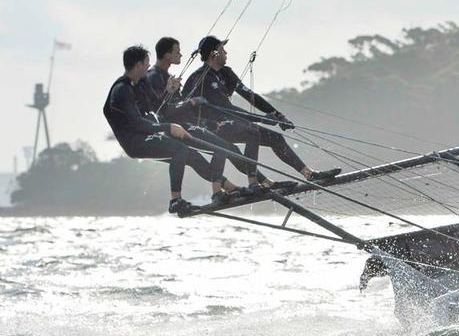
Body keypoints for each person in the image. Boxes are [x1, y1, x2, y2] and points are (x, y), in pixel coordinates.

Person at [181, 35, 332, 187]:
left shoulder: (226, 73)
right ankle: (255, 184)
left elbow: (250, 96)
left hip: (227, 121)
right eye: (222, 49)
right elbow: (227, 109)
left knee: (275, 138)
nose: (226, 53)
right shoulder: (201, 78)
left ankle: (308, 174)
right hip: (206, 127)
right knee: (250, 134)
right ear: (214, 54)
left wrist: (278, 115)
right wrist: (262, 118)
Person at [103, 45, 234, 215]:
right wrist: (169, 127)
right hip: (134, 142)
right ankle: (175, 201)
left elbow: (158, 107)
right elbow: (137, 124)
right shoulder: (121, 91)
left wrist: (168, 92)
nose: (149, 67)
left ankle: (229, 188)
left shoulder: (139, 83)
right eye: (147, 63)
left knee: (191, 155)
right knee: (179, 149)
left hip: (146, 134)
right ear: (138, 65)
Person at [142, 36, 261, 188]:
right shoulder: (154, 77)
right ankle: (220, 192)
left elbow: (172, 104)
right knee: (222, 146)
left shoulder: (166, 75)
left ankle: (239, 187)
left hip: (184, 124)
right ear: (167, 55)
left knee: (221, 150)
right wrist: (191, 102)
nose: (181, 55)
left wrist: (206, 121)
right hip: (174, 128)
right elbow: (162, 110)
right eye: (177, 52)